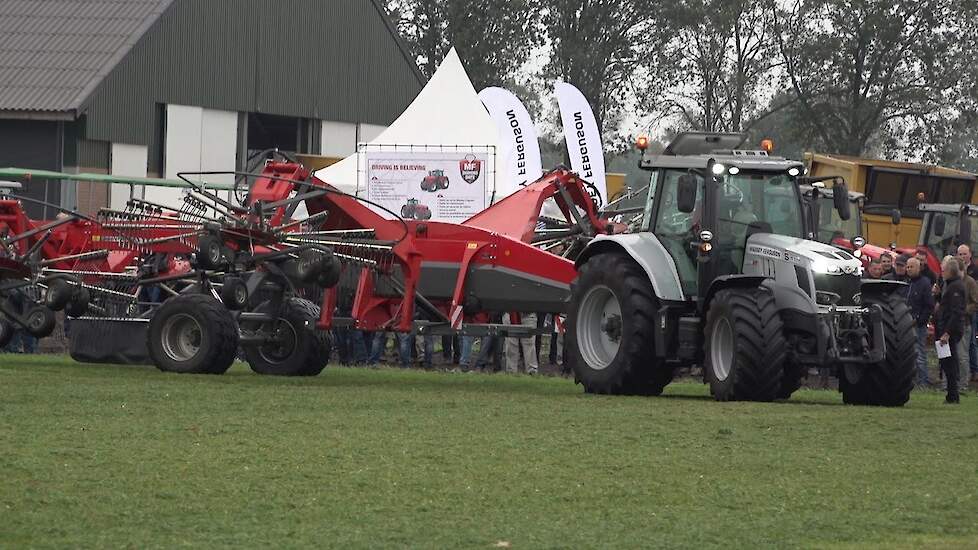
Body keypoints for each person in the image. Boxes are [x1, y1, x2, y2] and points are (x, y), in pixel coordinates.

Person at [935, 255, 966, 403]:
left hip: (950, 331)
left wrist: (947, 333)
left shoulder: (956, 287)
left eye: (944, 270)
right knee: (947, 362)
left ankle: (953, 395)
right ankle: (951, 394)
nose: (942, 272)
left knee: (950, 363)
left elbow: (956, 312)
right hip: (946, 328)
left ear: (950, 271)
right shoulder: (951, 285)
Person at [907, 257, 935, 387]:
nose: (909, 269)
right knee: (909, 354)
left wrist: (920, 320)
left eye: (911, 267)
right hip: (906, 324)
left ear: (919, 268)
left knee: (920, 353)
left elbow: (929, 305)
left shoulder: (924, 283)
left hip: (918, 324)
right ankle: (913, 380)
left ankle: (923, 381)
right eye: (908, 267)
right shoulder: (906, 283)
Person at [956, 256, 978, 391]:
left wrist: (963, 311)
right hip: (951, 322)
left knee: (962, 355)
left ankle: (963, 384)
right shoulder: (950, 282)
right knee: (951, 354)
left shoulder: (970, 282)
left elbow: (975, 303)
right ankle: (952, 383)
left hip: (965, 323)